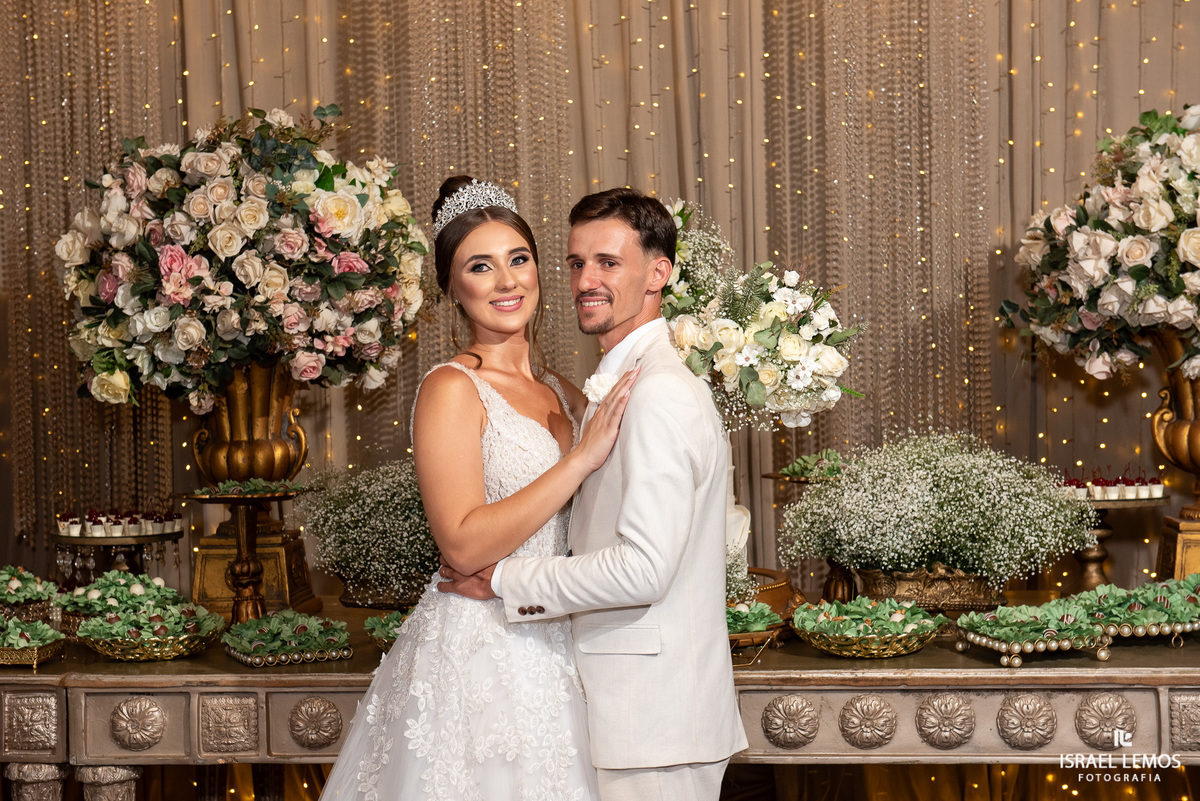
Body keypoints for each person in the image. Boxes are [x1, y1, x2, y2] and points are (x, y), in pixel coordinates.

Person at [319, 176, 637, 801]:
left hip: (561, 639)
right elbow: (462, 546)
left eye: (518, 260)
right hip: (480, 652)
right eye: (480, 267)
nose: (507, 282)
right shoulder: (451, 389)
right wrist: (579, 460)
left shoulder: (567, 391)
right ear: (452, 290)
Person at [440, 187, 748, 801]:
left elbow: (643, 569)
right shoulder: (607, 389)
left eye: (609, 263)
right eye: (577, 263)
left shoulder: (656, 392)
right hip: (607, 708)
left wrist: (505, 581)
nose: (587, 280)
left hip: (652, 721)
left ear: (658, 272)